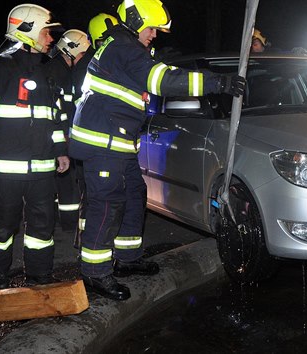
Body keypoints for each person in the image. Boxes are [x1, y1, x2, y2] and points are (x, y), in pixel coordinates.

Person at [68, 0, 245, 301]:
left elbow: (155, 71)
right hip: (103, 142)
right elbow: (161, 81)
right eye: (152, 28)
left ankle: (127, 258)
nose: (155, 34)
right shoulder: (124, 47)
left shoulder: (125, 46)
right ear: (137, 21)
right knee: (106, 204)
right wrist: (218, 82)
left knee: (135, 193)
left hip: (116, 140)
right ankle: (95, 274)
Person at [0, 3, 69, 290]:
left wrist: (60, 151)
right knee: (2, 225)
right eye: (46, 33)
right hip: (6, 169)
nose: (51, 39)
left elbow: (56, 118)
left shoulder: (48, 73)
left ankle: (40, 277)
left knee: (42, 226)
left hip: (42, 170)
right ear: (28, 30)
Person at [71, 13, 119, 250]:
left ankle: (86, 241)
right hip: (94, 142)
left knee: (92, 196)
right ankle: (86, 244)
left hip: (89, 140)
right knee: (92, 197)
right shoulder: (95, 65)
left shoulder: (91, 62)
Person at [45, 29, 91, 232]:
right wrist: (65, 137)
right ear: (71, 52)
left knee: (59, 180)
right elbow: (61, 110)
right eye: (81, 54)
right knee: (67, 182)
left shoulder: (58, 69)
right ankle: (69, 222)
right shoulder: (59, 73)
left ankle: (59, 218)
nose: (83, 59)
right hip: (59, 134)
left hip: (56, 134)